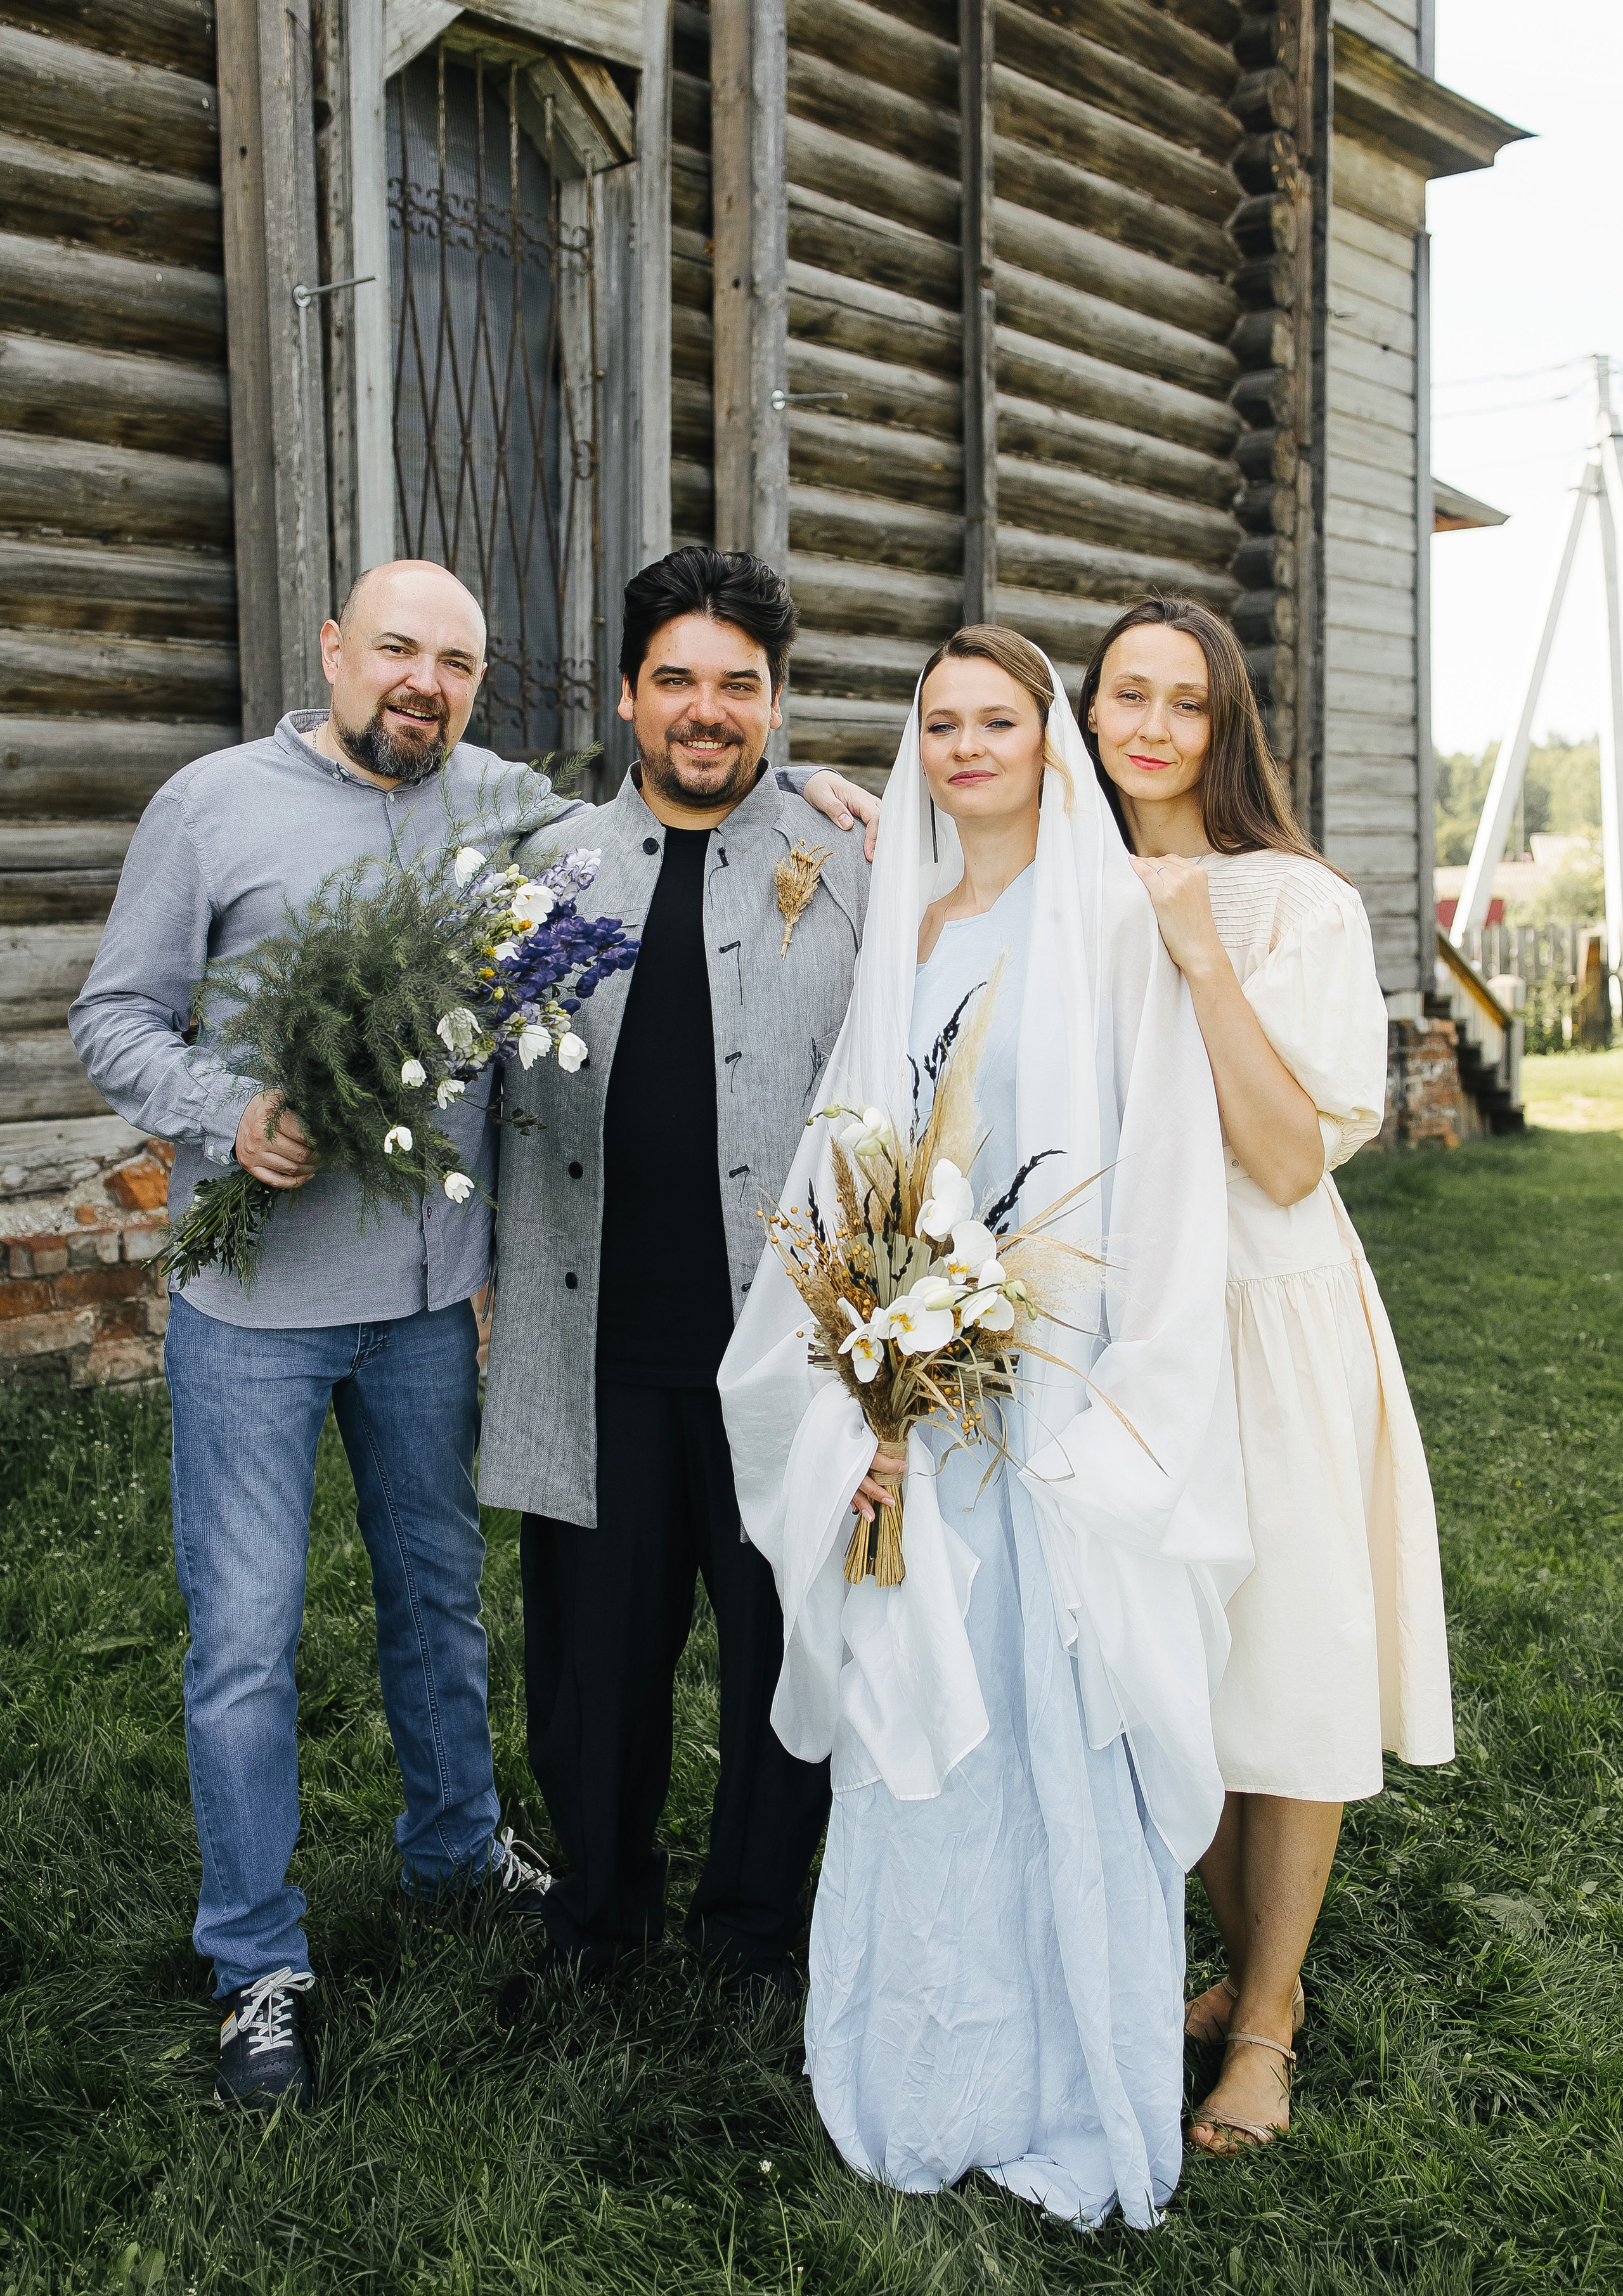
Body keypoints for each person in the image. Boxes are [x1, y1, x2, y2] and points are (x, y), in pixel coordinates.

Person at [68, 557, 872, 2112]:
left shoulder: (499, 809)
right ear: (331, 650)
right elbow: (116, 1017)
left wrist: (830, 787)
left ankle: (462, 1855)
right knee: (248, 1643)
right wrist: (229, 1113)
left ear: (482, 687)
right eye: (392, 651)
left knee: (444, 1617)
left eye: (452, 660)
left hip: (434, 1307)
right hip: (260, 1308)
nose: (418, 682)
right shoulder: (221, 807)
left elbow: (708, 776)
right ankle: (258, 1958)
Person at [718, 627, 1253, 2230]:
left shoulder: (1103, 921)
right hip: (920, 1400)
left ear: (1049, 739)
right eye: (938, 724)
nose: (963, 747)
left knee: (1050, 1717)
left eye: (995, 721)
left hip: (1060, 1391)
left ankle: (1068, 2079)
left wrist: (1114, 1396)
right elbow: (855, 1149)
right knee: (924, 1731)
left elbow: (1155, 1157)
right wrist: (859, 1380)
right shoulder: (912, 912)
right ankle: (926, 2069)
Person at [477, 545, 877, 2009]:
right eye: (677, 681)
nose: (705, 712)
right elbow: (497, 1086)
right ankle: (595, 1918)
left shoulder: (848, 868)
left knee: (785, 1648)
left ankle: (753, 1931)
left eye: (738, 685)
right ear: (630, 694)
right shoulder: (548, 869)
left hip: (785, 1349)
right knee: (593, 1664)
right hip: (594, 1341)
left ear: (775, 701)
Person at [1080, 594, 1454, 2154]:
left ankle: (1267, 2015)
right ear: (1084, 715)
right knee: (1170, 1666)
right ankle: (1206, 1972)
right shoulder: (1054, 885)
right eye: (1125, 696)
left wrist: (1195, 954)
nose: (1151, 725)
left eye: (1184, 701)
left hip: (1270, 1313)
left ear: (1223, 729)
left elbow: (1290, 1158)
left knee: (1284, 1667)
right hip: (1121, 1325)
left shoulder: (1290, 899)